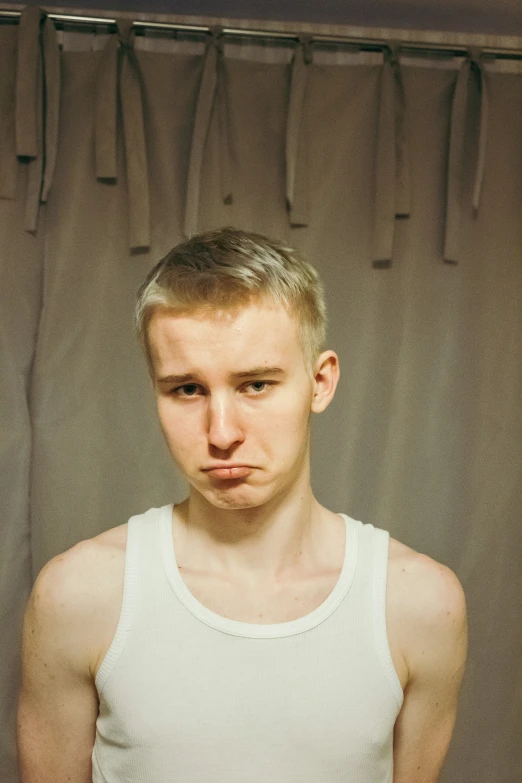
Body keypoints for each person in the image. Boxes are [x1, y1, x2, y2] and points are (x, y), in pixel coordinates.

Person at [17, 227, 468, 782]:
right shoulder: (78, 596)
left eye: (255, 385)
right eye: (188, 389)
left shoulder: (420, 605)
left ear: (320, 382)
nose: (222, 432)